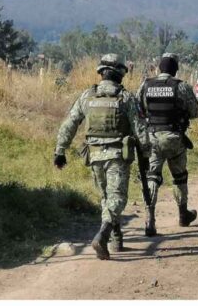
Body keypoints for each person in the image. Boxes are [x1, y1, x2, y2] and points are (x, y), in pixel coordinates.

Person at [54, 54, 150, 260]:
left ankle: (116, 238)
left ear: (101, 73)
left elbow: (70, 124)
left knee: (106, 198)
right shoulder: (126, 98)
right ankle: (103, 235)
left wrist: (60, 151)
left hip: (94, 155)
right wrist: (146, 152)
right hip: (118, 155)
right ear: (120, 74)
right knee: (117, 198)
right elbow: (140, 129)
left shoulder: (87, 96)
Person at [137, 53, 198, 237]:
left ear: (159, 68)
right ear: (175, 69)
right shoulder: (181, 86)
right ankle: (183, 214)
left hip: (152, 138)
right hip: (174, 138)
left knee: (152, 177)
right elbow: (196, 112)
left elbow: (138, 110)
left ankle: (150, 220)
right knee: (179, 177)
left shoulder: (146, 85)